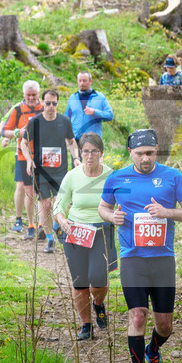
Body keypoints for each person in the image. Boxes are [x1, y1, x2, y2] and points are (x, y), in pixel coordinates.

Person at [98, 129, 182, 363]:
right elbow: (103, 207)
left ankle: (152, 351)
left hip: (162, 259)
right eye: (140, 154)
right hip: (132, 257)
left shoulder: (173, 177)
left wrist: (167, 212)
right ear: (130, 153)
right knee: (137, 316)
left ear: (157, 150)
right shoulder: (117, 178)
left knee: (165, 326)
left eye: (150, 153)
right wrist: (111, 216)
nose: (145, 158)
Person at [53, 133, 117, 341]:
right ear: (81, 153)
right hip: (75, 232)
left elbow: (123, 202)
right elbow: (58, 206)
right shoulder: (72, 176)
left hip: (102, 231)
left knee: (98, 280)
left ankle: (98, 304)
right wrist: (62, 221)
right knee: (80, 283)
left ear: (102, 153)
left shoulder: (111, 176)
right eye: (86, 151)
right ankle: (86, 326)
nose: (90, 156)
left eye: (94, 151)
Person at [22, 89, 79, 254]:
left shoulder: (64, 121)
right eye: (48, 103)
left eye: (54, 103)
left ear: (57, 104)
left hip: (60, 171)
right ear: (42, 102)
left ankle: (55, 225)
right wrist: (28, 160)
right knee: (45, 205)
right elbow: (24, 144)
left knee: (59, 205)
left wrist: (75, 158)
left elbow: (71, 142)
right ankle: (49, 239)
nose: (51, 106)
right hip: (40, 171)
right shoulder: (35, 122)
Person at [0, 80, 42, 237]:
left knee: (40, 189)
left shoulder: (44, 107)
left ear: (39, 93)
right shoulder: (17, 109)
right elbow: (4, 130)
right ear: (23, 94)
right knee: (22, 186)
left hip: (42, 155)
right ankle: (19, 218)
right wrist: (18, 133)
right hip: (23, 154)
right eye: (28, 95)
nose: (31, 98)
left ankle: (41, 223)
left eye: (34, 95)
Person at [64, 71, 115, 140]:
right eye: (80, 81)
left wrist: (95, 112)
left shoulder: (100, 97)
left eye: (84, 81)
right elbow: (67, 118)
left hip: (93, 140)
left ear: (90, 81)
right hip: (76, 140)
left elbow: (109, 115)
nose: (82, 83)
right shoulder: (72, 98)